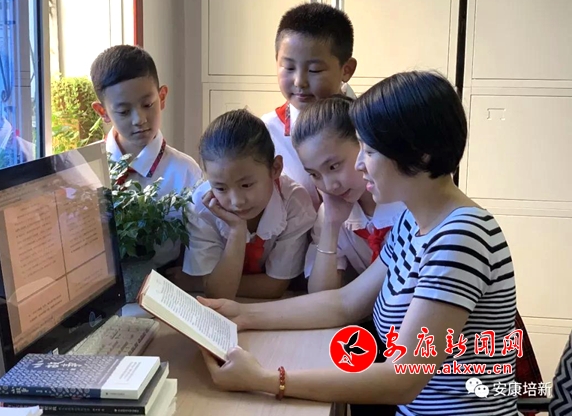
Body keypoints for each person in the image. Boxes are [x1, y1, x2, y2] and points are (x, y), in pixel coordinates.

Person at [198, 71, 518, 415]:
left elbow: (403, 379)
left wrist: (267, 379)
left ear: (421, 155)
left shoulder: (460, 237)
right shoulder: (415, 221)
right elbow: (346, 302)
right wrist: (241, 314)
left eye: (370, 150)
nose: (361, 165)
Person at [182, 109, 316, 300]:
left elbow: (274, 287)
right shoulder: (200, 206)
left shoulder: (294, 203)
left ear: (275, 168)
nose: (237, 201)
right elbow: (218, 293)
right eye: (220, 188)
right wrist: (237, 231)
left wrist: (197, 283)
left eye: (246, 185)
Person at [90, 45, 202, 265]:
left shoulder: (186, 173)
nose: (139, 119)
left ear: (162, 97)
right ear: (103, 112)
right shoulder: (84, 168)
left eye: (147, 104)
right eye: (123, 111)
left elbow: (199, 248)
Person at [291, 95, 406, 294]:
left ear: (364, 145)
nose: (330, 185)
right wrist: (331, 225)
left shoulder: (409, 202)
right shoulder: (332, 211)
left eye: (334, 166)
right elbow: (321, 296)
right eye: (315, 174)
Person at [262, 2, 358, 209]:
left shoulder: (371, 127)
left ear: (346, 70)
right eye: (288, 67)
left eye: (315, 70)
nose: (299, 82)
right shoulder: (265, 134)